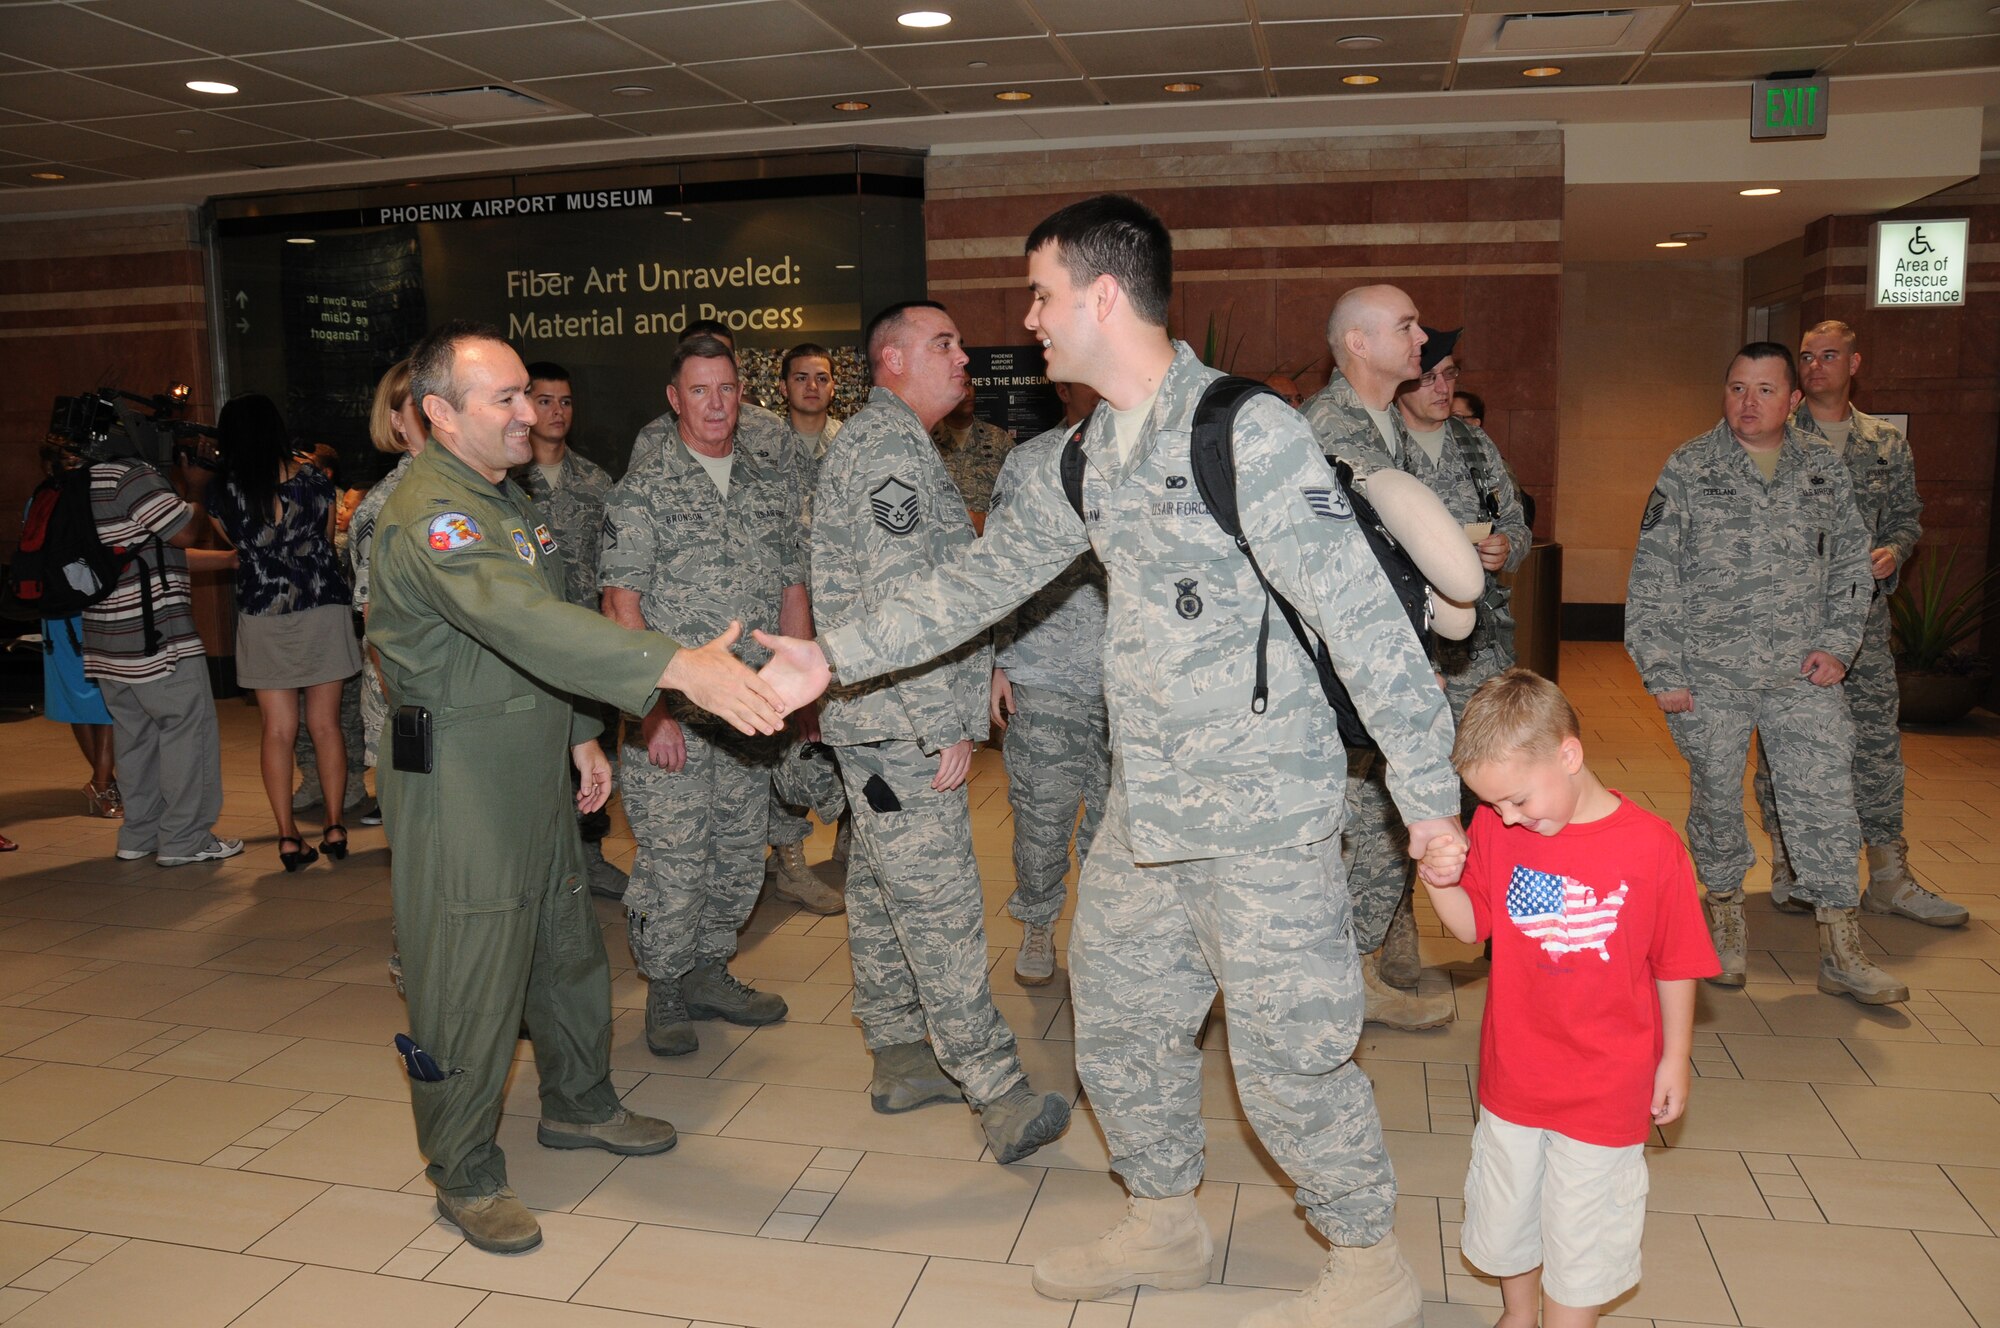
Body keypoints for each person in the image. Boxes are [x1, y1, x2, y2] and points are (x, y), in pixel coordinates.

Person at [777, 198, 1463, 1326]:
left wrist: (1427, 802)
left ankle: (1364, 1257)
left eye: (1040, 293)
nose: (1027, 319)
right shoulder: (1078, 456)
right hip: (1144, 819)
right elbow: (974, 582)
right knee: (1119, 1023)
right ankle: (1163, 1216)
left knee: (1290, 1059)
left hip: (1263, 820)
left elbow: (1362, 622)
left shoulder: (1243, 432)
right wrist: (828, 658)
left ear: (1103, 295)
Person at [368, 318, 817, 1256]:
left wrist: (582, 736)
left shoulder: (501, 502)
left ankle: (577, 1104)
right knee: (467, 981)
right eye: (507, 398)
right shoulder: (434, 517)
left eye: (529, 392)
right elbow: (522, 623)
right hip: (460, 785)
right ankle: (464, 1170)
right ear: (441, 415)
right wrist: (676, 669)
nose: (530, 412)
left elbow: (547, 628)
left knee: (565, 952)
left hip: (530, 764)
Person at [810, 299, 1071, 1163]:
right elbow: (895, 609)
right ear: (891, 361)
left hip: (879, 718)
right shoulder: (887, 451)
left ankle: (896, 1055)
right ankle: (994, 1091)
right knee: (942, 906)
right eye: (944, 343)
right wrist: (941, 724)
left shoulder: (904, 443)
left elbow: (939, 585)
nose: (964, 357)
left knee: (888, 892)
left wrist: (981, 667)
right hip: (900, 725)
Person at [1417, 667, 1718, 1328]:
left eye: (1518, 800)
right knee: (1508, 1212)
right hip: (1515, 1077)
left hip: (1607, 1086)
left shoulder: (1650, 848)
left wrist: (1676, 1057)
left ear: (1569, 755)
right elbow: (1472, 926)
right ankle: (1519, 1315)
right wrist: (1439, 877)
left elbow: (1676, 963)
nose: (1506, 817)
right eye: (1492, 805)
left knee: (1585, 1228)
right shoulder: (1504, 832)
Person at [1626, 341, 1907, 1004]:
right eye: (1735, 388)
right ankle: (1723, 927)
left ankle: (1842, 949)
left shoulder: (1821, 469)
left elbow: (1848, 566)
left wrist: (1839, 647)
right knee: (1717, 802)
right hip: (1709, 675)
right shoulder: (1689, 467)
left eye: (1764, 390)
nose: (1747, 404)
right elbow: (1653, 574)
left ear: (1794, 399)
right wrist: (1662, 667)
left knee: (1826, 802)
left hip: (1799, 675)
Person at [600, 335, 814, 1055]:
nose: (716, 404)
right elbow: (620, 611)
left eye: (726, 389)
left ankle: (709, 970)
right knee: (676, 863)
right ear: (674, 398)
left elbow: (792, 590)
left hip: (750, 718)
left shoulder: (768, 485)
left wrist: (798, 697)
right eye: (700, 390)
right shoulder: (644, 492)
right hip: (677, 723)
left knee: (736, 851)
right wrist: (649, 711)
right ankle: (664, 987)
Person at [1754, 321, 1960, 925]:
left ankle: (1889, 874)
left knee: (1874, 748)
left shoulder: (1883, 443)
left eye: (1830, 356)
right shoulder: (1776, 437)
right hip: (1792, 624)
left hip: (1863, 625)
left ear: (1854, 363)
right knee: (1782, 746)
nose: (1817, 365)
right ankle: (1790, 862)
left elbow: (1907, 518)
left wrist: (1893, 552)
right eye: (1807, 357)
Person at [1301, 284, 1460, 1031]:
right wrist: (1391, 663)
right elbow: (1329, 576)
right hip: (1338, 679)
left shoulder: (1382, 426)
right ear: (1358, 344)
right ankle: (1333, 986)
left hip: (1377, 667)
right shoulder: (1321, 434)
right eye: (1407, 325)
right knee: (1340, 832)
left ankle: (1358, 974)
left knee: (1370, 824)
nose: (1422, 335)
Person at [988, 380, 1109, 986]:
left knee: (1116, 830)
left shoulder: (1155, 457)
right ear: (1063, 385)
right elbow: (998, 567)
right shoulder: (1031, 461)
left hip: (1132, 685)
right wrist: (997, 661)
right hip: (1045, 670)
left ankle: (1102, 935)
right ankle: (1038, 924)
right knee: (1041, 818)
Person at [210, 394, 364, 871]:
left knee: (277, 730)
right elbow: (320, 535)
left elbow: (236, 548)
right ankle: (335, 825)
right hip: (321, 603)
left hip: (262, 611)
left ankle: (286, 835)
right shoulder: (314, 478)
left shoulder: (221, 490)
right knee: (326, 725)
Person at [83, 414, 241, 867]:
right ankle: (185, 839)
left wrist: (228, 561)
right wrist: (194, 487)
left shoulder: (86, 479)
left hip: (106, 638)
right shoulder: (135, 477)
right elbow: (185, 530)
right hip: (154, 639)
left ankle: (139, 833)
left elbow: (151, 553)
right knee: (187, 733)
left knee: (136, 738)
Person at [512, 360, 628, 900]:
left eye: (565, 402)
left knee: (593, 747)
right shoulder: (508, 482)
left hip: (585, 644)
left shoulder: (596, 481)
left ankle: (590, 857)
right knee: (536, 757)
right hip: (528, 646)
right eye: (544, 400)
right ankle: (539, 867)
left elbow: (615, 567)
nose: (555, 412)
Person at [33, 442, 120, 817]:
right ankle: (102, 784)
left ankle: (103, 782)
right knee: (110, 699)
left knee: (79, 703)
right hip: (92, 608)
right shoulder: (90, 501)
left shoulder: (38, 501)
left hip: (53, 614)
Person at [929, 383, 1013, 532]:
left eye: (969, 384)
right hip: (943, 543)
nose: (967, 393)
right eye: (960, 385)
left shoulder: (998, 439)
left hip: (990, 543)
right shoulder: (927, 441)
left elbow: (1019, 495)